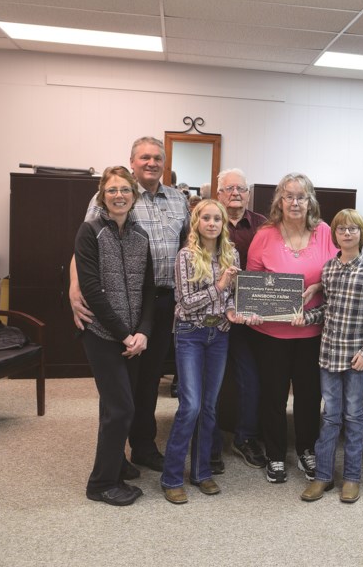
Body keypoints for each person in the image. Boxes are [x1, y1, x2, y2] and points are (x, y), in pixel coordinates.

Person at [70, 137, 190, 475]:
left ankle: (143, 445)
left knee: (149, 378)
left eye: (157, 157)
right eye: (144, 157)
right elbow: (83, 248)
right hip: (120, 303)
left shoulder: (179, 201)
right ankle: (114, 453)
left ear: (163, 162)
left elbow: (187, 246)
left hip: (163, 301)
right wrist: (73, 290)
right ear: (133, 161)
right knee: (117, 385)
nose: (151, 163)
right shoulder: (114, 193)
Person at [295, 209, 363, 504]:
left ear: (361, 234)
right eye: (342, 229)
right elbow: (329, 310)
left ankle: (352, 477)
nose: (347, 233)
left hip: (357, 359)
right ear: (335, 235)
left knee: (354, 416)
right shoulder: (329, 269)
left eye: (353, 229)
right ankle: (323, 477)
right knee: (329, 417)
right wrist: (306, 317)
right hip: (329, 355)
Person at [245, 173, 338, 483]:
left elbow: (338, 272)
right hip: (271, 333)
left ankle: (306, 450)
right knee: (272, 395)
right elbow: (252, 282)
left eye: (301, 196)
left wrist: (317, 287)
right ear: (279, 201)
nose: (295, 202)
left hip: (313, 331)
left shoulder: (325, 232)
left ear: (310, 200)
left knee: (310, 396)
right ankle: (274, 455)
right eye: (289, 196)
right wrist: (253, 310)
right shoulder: (265, 234)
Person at [74, 166, 154, 506]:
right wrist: (124, 335)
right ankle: (101, 484)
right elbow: (91, 289)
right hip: (103, 336)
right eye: (112, 190)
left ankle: (117, 462)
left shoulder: (140, 237)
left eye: (125, 190)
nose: (119, 195)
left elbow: (149, 290)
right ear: (102, 196)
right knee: (121, 408)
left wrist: (143, 333)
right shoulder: (90, 232)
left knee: (118, 406)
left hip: (134, 338)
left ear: (134, 197)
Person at [160, 199, 242, 504]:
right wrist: (220, 286)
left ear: (223, 223)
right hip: (190, 334)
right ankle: (170, 477)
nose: (211, 223)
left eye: (216, 219)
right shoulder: (185, 256)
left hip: (219, 334)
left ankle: (201, 472)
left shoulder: (231, 254)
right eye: (205, 218)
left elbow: (233, 296)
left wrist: (231, 310)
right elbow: (184, 304)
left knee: (209, 406)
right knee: (190, 406)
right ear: (196, 222)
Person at [211, 168, 268, 470]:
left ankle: (245, 437)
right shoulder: (207, 220)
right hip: (212, 314)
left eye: (241, 188)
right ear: (218, 193)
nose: (235, 193)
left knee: (250, 379)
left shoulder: (263, 226)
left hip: (250, 318)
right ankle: (209, 440)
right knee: (209, 381)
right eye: (229, 188)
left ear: (248, 194)